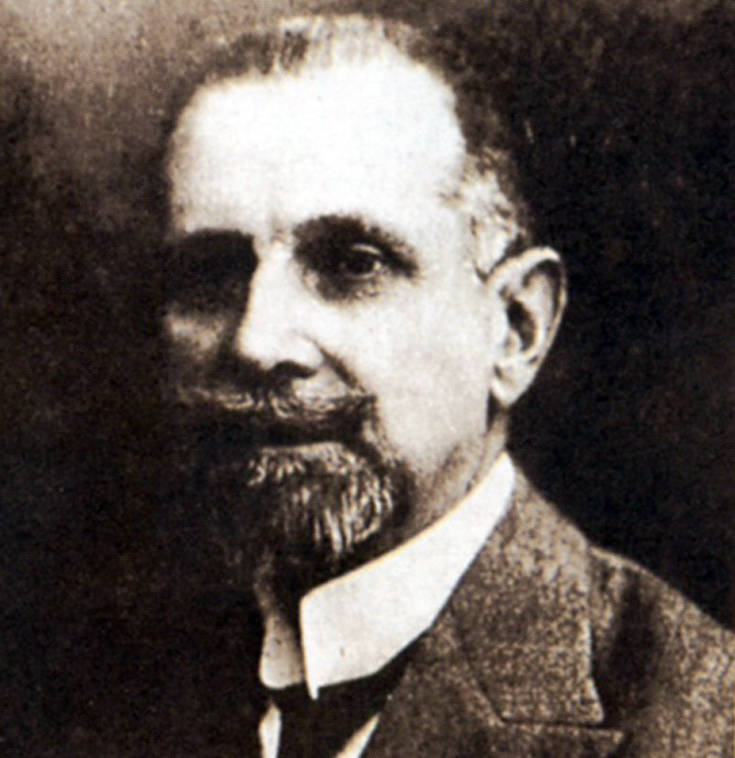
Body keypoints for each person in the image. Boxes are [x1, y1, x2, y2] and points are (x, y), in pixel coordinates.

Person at [156, 13, 733, 757]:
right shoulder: (93, 670)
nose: (256, 342)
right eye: (212, 272)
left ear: (515, 329)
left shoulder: (703, 723)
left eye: (353, 265)